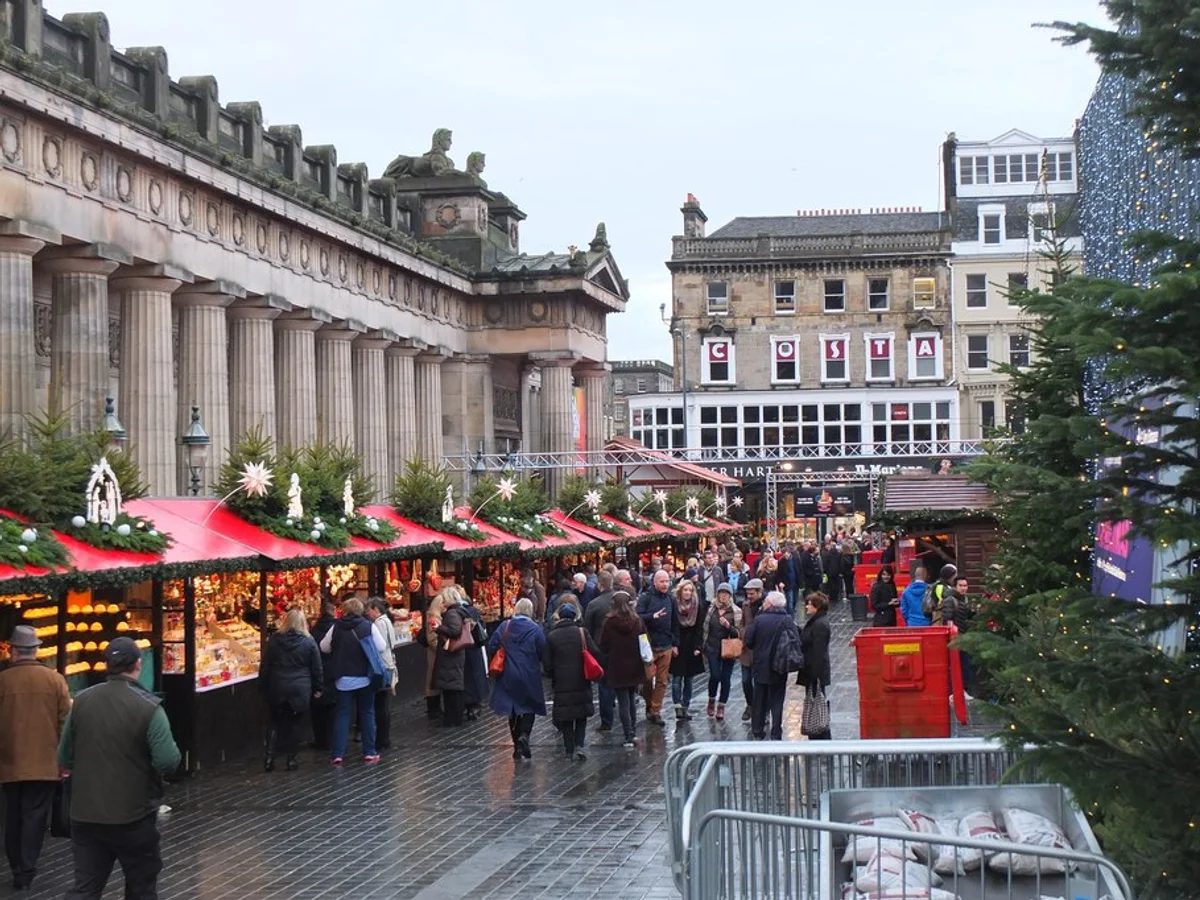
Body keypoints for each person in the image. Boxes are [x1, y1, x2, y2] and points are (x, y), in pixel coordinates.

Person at [58, 636, 181, 900]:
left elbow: (64, 756)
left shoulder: (82, 701)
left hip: (86, 813)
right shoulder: (148, 707)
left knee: (86, 887)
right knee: (140, 886)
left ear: (107, 665)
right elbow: (168, 760)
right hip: (132, 814)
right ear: (138, 664)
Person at [0, 625, 70, 893]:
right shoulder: (54, 680)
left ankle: (17, 866)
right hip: (45, 763)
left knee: (13, 816)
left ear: (14, 651)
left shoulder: (3, 681)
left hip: (9, 762)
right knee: (35, 817)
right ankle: (27, 869)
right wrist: (65, 760)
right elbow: (66, 723)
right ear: (36, 650)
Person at [319, 596, 388, 765]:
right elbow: (381, 647)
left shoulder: (336, 627)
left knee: (342, 714)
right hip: (365, 677)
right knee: (367, 712)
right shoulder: (368, 626)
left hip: (343, 678)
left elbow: (323, 647)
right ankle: (369, 751)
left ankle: (337, 754)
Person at [259, 608, 323, 772]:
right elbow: (317, 668)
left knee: (274, 721)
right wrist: (318, 687)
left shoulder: (274, 640)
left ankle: (269, 757)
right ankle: (291, 759)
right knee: (296, 723)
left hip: (278, 684)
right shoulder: (309, 642)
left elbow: (265, 665)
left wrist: (263, 685)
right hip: (299, 686)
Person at [488, 598, 547, 759]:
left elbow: (492, 645)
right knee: (529, 706)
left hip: (508, 672)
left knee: (512, 708)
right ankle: (524, 735)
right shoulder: (535, 629)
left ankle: (516, 746)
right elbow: (543, 650)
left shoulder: (505, 626)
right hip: (529, 673)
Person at [544, 603, 602, 760]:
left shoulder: (552, 636)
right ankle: (579, 745)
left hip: (561, 681)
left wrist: (553, 675)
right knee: (581, 715)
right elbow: (594, 651)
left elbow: (547, 664)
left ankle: (568, 749)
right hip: (581, 679)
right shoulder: (582, 633)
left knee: (566, 716)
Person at [742, 592, 796, 740]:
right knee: (777, 700)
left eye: (765, 601)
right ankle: (776, 731)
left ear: (770, 604)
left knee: (759, 698)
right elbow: (795, 640)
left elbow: (748, 640)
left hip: (761, 665)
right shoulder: (787, 619)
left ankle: (757, 730)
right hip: (780, 666)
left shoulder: (759, 620)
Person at [599, 591, 647, 749]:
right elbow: (644, 640)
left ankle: (628, 734)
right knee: (632, 699)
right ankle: (632, 730)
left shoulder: (609, 623)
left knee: (623, 702)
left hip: (617, 665)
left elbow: (603, 645)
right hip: (635, 664)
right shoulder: (637, 621)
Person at [635, 568, 677, 726]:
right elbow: (637, 617)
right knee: (647, 679)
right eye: (662, 581)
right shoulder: (645, 598)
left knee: (662, 681)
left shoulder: (671, 599)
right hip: (650, 645)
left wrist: (675, 643)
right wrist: (652, 616)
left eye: (667, 581)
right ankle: (648, 704)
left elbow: (675, 621)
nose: (665, 584)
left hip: (666, 644)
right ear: (655, 582)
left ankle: (655, 710)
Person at [583, 569, 620, 731]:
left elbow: (587, 628)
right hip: (620, 647)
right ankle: (627, 719)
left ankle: (607, 721)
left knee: (604, 685)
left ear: (599, 585)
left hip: (601, 649)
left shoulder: (594, 604)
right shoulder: (620, 601)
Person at [702, 584, 742, 720]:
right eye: (721, 593)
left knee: (725, 678)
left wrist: (728, 626)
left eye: (726, 593)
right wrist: (703, 644)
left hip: (729, 648)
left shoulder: (736, 611)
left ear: (730, 595)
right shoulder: (711, 608)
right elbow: (705, 627)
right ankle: (711, 699)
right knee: (714, 675)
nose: (723, 596)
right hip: (712, 647)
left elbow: (739, 633)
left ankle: (721, 706)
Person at [669, 579, 707, 721]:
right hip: (678, 643)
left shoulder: (698, 606)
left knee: (689, 679)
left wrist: (698, 646)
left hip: (691, 644)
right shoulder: (674, 604)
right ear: (680, 591)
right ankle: (677, 705)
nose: (688, 593)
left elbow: (700, 627)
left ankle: (685, 706)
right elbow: (672, 625)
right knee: (677, 678)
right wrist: (673, 644)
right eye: (685, 590)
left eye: (690, 590)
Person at [365, 597, 399, 747]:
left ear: (376, 610)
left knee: (380, 703)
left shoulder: (379, 624)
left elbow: (379, 646)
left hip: (382, 665)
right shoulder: (387, 621)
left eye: (369, 610)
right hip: (389, 663)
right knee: (383, 702)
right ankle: (384, 737)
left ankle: (382, 738)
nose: (368, 613)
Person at [433, 588, 470, 727]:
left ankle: (452, 718)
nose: (442, 602)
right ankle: (455, 716)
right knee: (454, 686)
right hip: (456, 655)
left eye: (443, 599)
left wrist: (439, 628)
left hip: (451, 655)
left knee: (451, 688)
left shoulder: (451, 613)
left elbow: (455, 631)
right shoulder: (458, 611)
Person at [799, 592, 833, 739]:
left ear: (817, 606)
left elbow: (818, 651)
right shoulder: (816, 621)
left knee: (817, 702)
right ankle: (817, 731)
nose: (806, 606)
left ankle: (820, 732)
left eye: (809, 604)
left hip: (815, 672)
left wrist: (815, 675)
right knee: (815, 701)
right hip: (812, 671)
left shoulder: (820, 624)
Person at [455, 589, 490, 721]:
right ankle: (474, 705)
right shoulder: (473, 611)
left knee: (466, 678)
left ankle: (467, 704)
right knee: (475, 677)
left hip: (462, 648)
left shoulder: (456, 612)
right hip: (474, 649)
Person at [308, 598, 338, 748]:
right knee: (332, 706)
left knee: (317, 707)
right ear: (334, 611)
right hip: (333, 670)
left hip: (316, 671)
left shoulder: (313, 630)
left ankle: (320, 739)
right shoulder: (337, 628)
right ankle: (331, 738)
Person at [737, 578, 765, 721]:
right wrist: (744, 633)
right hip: (747, 649)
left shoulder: (767, 605)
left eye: (752, 593)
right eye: (747, 593)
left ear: (760, 592)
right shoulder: (746, 605)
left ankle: (762, 709)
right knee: (746, 680)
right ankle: (750, 704)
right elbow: (742, 622)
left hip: (761, 649)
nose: (749, 596)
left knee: (760, 682)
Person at [420, 590, 447, 720]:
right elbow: (432, 639)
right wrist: (443, 648)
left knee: (435, 681)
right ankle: (433, 708)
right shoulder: (433, 618)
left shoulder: (438, 616)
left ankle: (435, 707)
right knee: (432, 681)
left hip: (438, 653)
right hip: (435, 654)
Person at [949, 575, 975, 699]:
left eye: (965, 585)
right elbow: (948, 618)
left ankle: (961, 690)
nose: (963, 588)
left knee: (964, 665)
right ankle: (956, 691)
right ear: (955, 587)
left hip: (963, 635)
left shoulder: (964, 600)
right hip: (956, 637)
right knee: (960, 664)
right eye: (960, 585)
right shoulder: (950, 600)